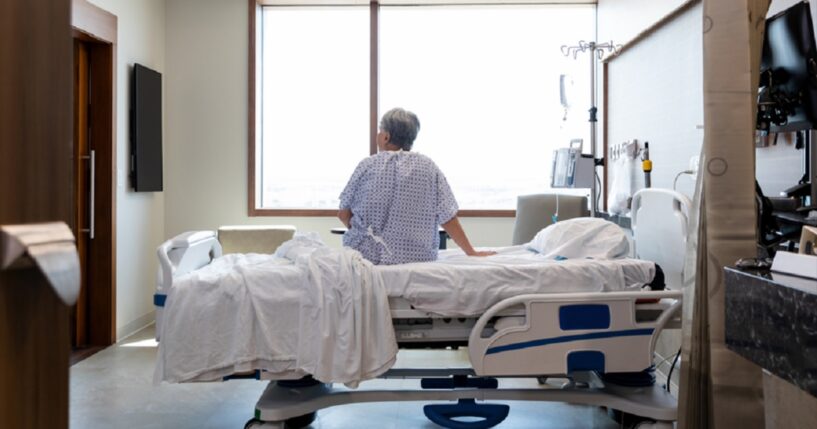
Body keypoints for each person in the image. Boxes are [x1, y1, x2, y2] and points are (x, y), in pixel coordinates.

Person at [338, 107, 495, 265]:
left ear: (386, 137)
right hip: (418, 258)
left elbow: (344, 214)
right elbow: (448, 216)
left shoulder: (367, 165)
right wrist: (471, 252)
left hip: (367, 258)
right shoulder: (429, 167)